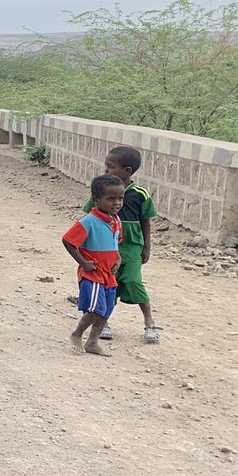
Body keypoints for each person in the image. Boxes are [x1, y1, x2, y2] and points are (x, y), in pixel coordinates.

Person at [82, 146, 161, 344]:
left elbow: (146, 221)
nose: (106, 170)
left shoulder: (140, 194)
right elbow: (89, 217)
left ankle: (149, 322)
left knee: (134, 281)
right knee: (109, 285)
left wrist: (147, 246)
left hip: (132, 247)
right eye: (106, 166)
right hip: (106, 248)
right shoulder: (101, 189)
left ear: (127, 171)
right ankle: (104, 322)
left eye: (110, 166)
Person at [63, 174, 125, 356]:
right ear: (96, 200)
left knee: (107, 309)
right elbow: (68, 241)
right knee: (96, 308)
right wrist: (83, 262)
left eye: (120, 198)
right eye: (111, 199)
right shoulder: (89, 221)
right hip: (94, 272)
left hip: (109, 273)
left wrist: (118, 258)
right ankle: (77, 334)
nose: (117, 203)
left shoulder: (116, 220)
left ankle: (92, 342)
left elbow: (115, 243)